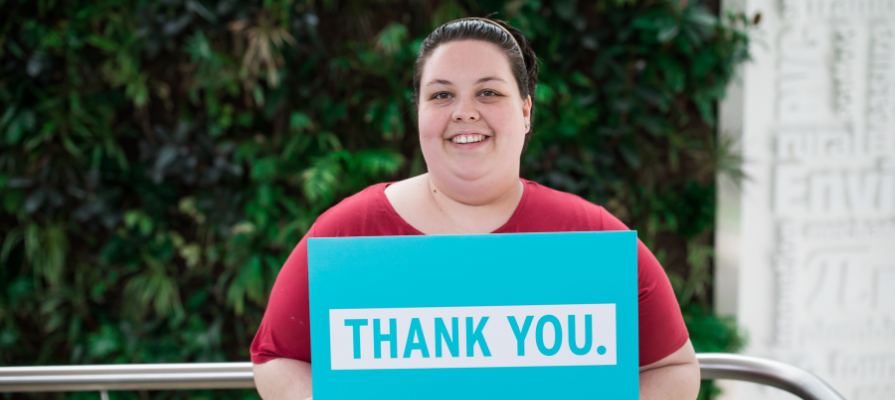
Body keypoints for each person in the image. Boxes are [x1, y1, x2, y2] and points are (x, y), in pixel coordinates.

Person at [251, 17, 700, 399]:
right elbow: (275, 357)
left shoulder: (590, 236)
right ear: (420, 113)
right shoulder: (351, 232)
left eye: (488, 92)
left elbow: (674, 370)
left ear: (525, 111)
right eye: (442, 95)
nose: (465, 112)